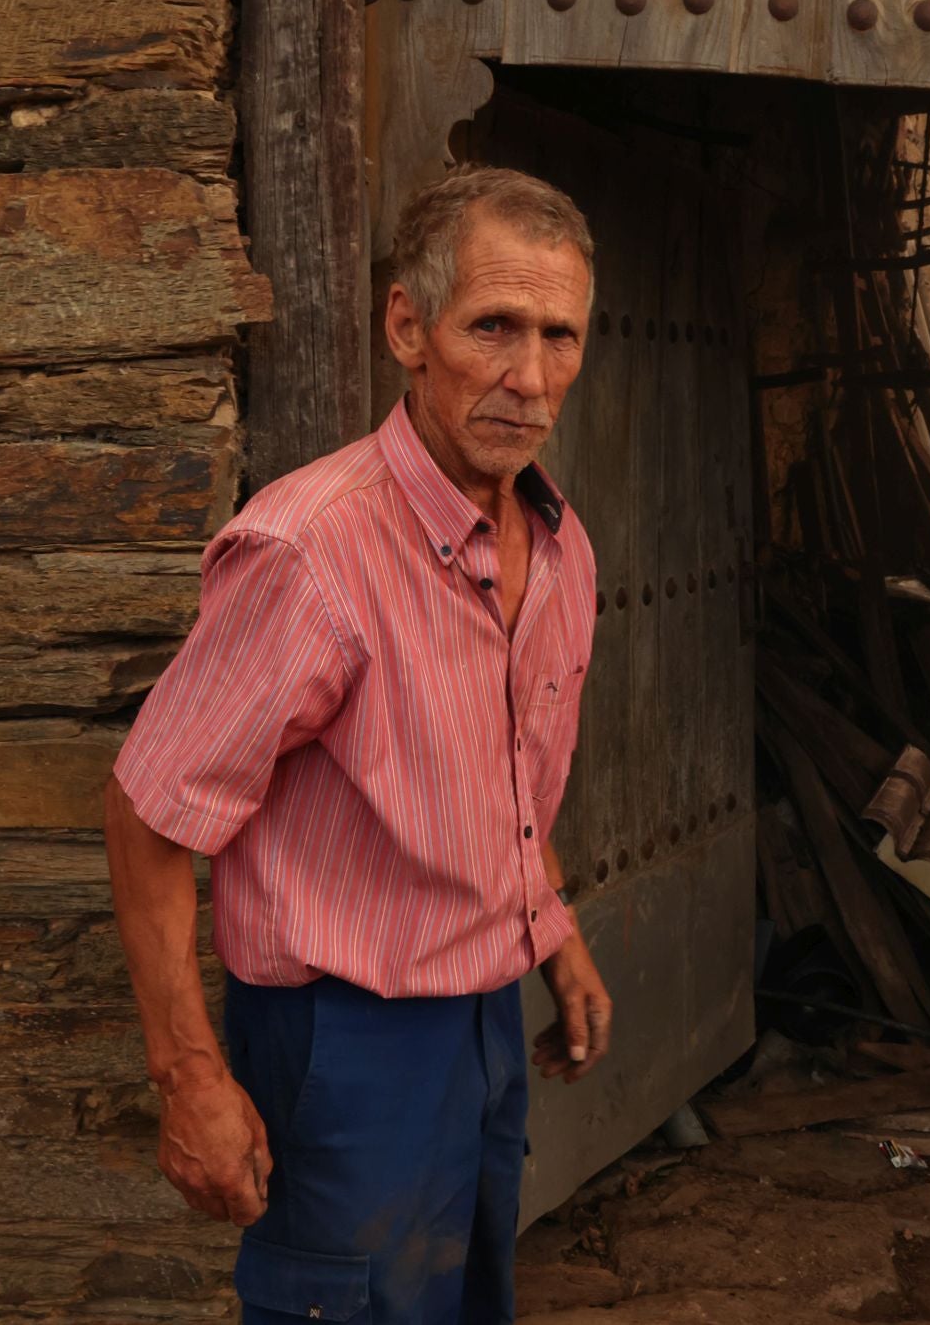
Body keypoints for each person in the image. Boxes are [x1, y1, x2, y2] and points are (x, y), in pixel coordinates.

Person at [103, 165, 611, 1325]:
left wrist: (554, 932)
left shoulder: (557, 542)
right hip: (342, 1046)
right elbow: (146, 811)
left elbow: (504, 784)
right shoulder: (311, 553)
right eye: (493, 326)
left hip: (483, 1019)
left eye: (560, 336)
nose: (530, 378)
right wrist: (189, 1073)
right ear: (407, 327)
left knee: (467, 1299)